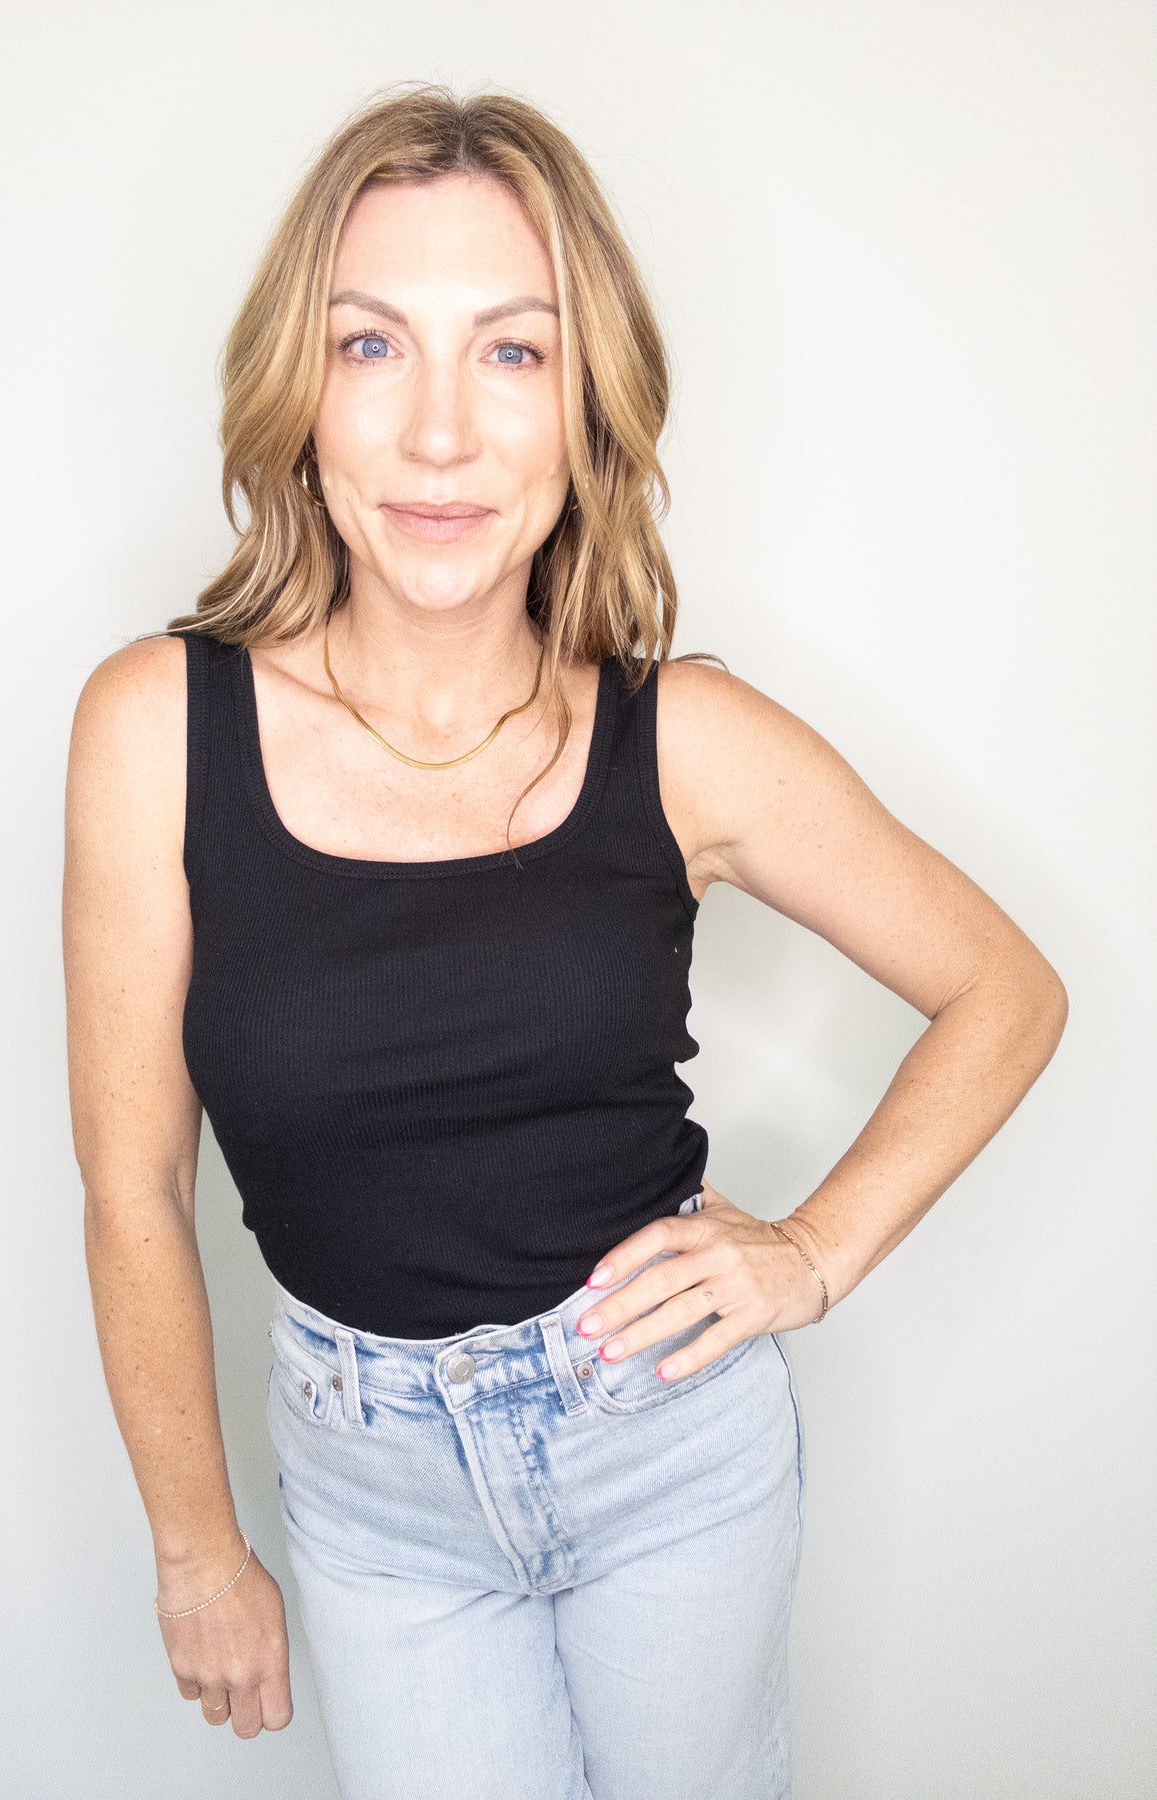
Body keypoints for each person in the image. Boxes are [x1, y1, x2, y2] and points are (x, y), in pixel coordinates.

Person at [61, 81, 1068, 1800]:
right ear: (299, 394)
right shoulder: (154, 726)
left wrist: (813, 1252)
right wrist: (195, 1551)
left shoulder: (688, 742)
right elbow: (131, 1185)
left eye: (512, 352)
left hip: (664, 1442)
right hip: (367, 1487)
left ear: (586, 405)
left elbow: (1006, 989)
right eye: (371, 345)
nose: (439, 434)